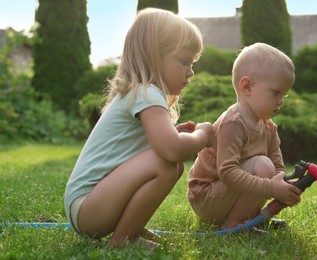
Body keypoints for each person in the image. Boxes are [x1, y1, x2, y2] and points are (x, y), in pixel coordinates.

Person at [64, 8, 214, 249]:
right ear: (153, 56)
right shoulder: (147, 92)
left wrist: (172, 132)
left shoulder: (140, 92)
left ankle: (130, 226)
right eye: (184, 61)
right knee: (167, 164)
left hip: (88, 205)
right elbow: (173, 151)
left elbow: (135, 150)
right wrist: (202, 135)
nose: (191, 71)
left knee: (168, 164)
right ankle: (124, 239)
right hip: (89, 207)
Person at [187, 42, 302, 232]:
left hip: (226, 196)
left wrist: (284, 184)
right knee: (263, 166)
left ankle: (250, 218)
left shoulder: (268, 127)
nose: (280, 101)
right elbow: (227, 172)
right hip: (206, 198)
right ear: (247, 86)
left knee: (268, 167)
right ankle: (233, 224)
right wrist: (271, 188)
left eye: (284, 95)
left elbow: (277, 166)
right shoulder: (233, 123)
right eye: (276, 93)